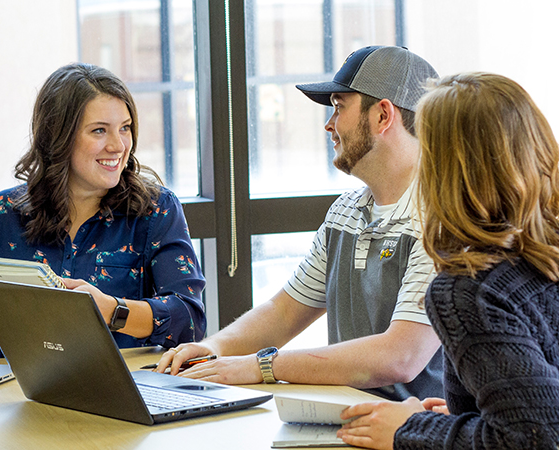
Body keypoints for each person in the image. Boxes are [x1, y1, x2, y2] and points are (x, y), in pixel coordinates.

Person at [336, 72, 559, 449]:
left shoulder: (469, 292)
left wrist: (411, 430)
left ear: (445, 172)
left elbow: (541, 442)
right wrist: (486, 418)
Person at [155, 46, 444, 402]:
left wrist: (263, 366)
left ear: (383, 116)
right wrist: (213, 348)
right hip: (352, 421)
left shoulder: (442, 218)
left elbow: (400, 357)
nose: (328, 124)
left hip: (416, 432)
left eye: (339, 107)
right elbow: (285, 312)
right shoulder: (345, 212)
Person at [0, 63, 206, 359]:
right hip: (20, 392)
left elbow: (189, 321)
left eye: (125, 128)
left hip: (125, 390)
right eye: (99, 131)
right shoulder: (4, 213)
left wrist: (112, 310)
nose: (118, 146)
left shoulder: (156, 210)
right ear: (58, 136)